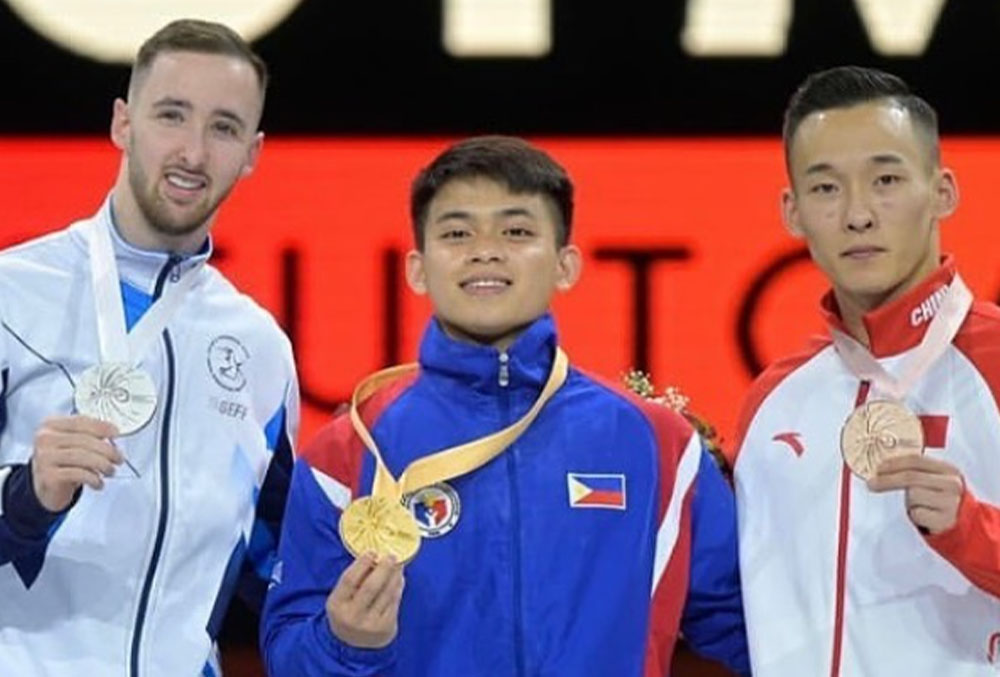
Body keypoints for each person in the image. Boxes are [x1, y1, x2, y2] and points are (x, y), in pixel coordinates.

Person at [261, 135, 749, 676]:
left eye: (516, 231)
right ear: (417, 270)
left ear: (566, 265)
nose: (485, 249)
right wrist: (344, 643)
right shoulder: (349, 451)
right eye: (456, 232)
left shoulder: (656, 444)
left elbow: (760, 629)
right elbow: (286, 653)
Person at [0, 19, 299, 677]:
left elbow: (278, 569)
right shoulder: (11, 295)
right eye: (172, 115)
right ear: (122, 123)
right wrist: (25, 495)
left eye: (223, 128)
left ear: (252, 152)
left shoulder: (260, 349)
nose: (193, 152)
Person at [732, 65, 1000, 675]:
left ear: (943, 192)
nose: (857, 214)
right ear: (792, 210)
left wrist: (972, 531)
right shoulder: (774, 398)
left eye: (885, 179)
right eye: (825, 188)